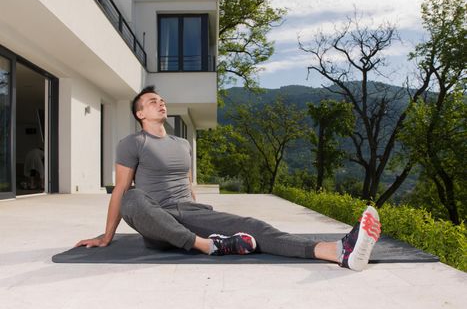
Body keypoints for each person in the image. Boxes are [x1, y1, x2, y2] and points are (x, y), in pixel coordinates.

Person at [76, 86, 381, 271]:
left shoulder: (182, 145)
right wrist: (107, 236)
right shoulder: (132, 143)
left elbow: (188, 187)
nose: (161, 103)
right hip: (157, 222)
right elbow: (120, 190)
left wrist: (204, 217)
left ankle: (338, 251)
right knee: (132, 197)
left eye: (161, 100)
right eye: (153, 101)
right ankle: (206, 246)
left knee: (255, 227)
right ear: (140, 114)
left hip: (189, 214)